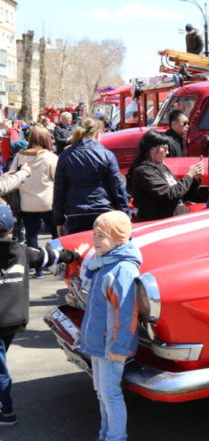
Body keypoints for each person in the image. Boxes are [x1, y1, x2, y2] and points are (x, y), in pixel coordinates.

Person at [0, 204, 84, 426]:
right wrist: (75, 254)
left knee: (0, 370)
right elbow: (51, 256)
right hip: (13, 319)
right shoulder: (23, 251)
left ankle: (6, 411)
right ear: (12, 228)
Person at [78, 211, 142, 441]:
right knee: (101, 392)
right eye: (94, 234)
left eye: (101, 235)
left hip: (110, 347)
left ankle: (116, 437)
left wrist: (119, 348)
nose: (94, 240)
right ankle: (105, 435)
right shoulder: (103, 263)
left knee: (110, 394)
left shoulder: (123, 269)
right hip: (97, 343)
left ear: (118, 239)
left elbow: (126, 315)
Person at [53, 118, 129, 235]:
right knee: (103, 249)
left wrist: (59, 220)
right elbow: (117, 187)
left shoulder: (65, 156)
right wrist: (125, 213)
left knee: (78, 251)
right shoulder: (106, 154)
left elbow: (59, 190)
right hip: (103, 209)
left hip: (75, 212)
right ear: (98, 133)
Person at [128, 130, 204, 222]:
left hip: (178, 218)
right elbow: (170, 194)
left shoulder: (161, 167)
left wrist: (194, 179)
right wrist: (189, 175)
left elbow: (181, 195)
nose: (167, 152)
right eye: (164, 148)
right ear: (152, 148)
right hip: (162, 223)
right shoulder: (143, 171)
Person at [9, 126, 58, 259]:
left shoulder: (20, 156)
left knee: (31, 235)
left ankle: (36, 266)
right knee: (55, 233)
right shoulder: (51, 157)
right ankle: (55, 259)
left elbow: (12, 177)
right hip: (48, 202)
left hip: (27, 203)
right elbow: (57, 178)